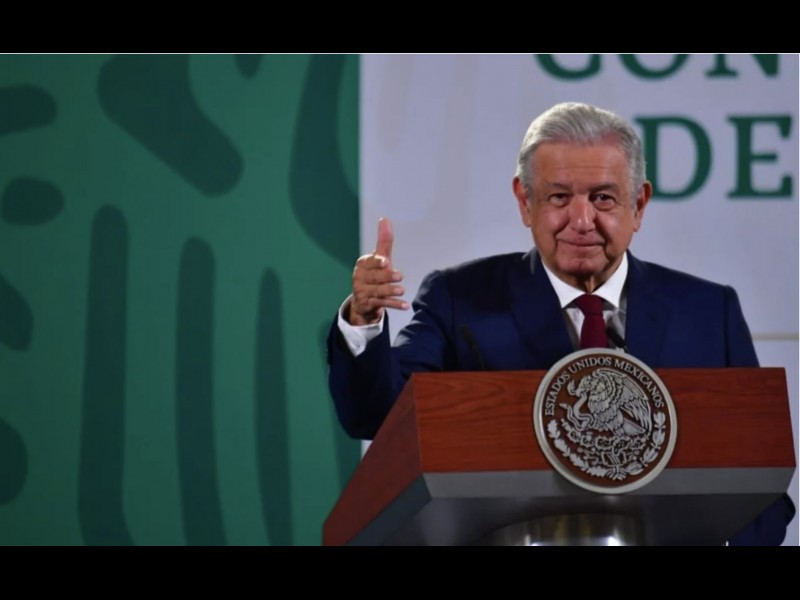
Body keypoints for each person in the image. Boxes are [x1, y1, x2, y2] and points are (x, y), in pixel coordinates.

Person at [326, 101, 795, 545]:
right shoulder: (460, 301)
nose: (582, 220)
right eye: (559, 197)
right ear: (525, 201)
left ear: (639, 205)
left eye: (603, 198)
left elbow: (761, 484)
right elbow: (378, 419)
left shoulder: (708, 312)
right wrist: (365, 319)